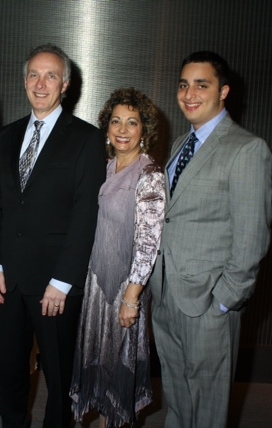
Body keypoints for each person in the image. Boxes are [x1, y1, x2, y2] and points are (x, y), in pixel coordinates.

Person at [149, 51, 272, 427]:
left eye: (201, 85)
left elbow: (252, 237)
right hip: (168, 294)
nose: (189, 93)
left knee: (207, 406)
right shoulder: (179, 147)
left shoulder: (247, 149)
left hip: (208, 303)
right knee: (176, 394)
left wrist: (224, 301)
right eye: (184, 84)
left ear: (223, 92)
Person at [0, 43, 106, 427]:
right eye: (34, 75)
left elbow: (86, 216)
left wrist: (63, 281)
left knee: (59, 379)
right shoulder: (5, 137)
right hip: (9, 281)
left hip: (55, 286)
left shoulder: (87, 140)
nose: (41, 83)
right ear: (24, 81)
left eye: (51, 75)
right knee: (8, 374)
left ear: (65, 84)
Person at [70, 88, 166, 427]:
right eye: (116, 121)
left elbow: (148, 243)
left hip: (126, 288)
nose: (122, 130)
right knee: (97, 365)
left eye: (132, 123)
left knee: (118, 372)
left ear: (145, 130)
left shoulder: (149, 173)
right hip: (96, 284)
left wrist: (132, 299)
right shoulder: (105, 167)